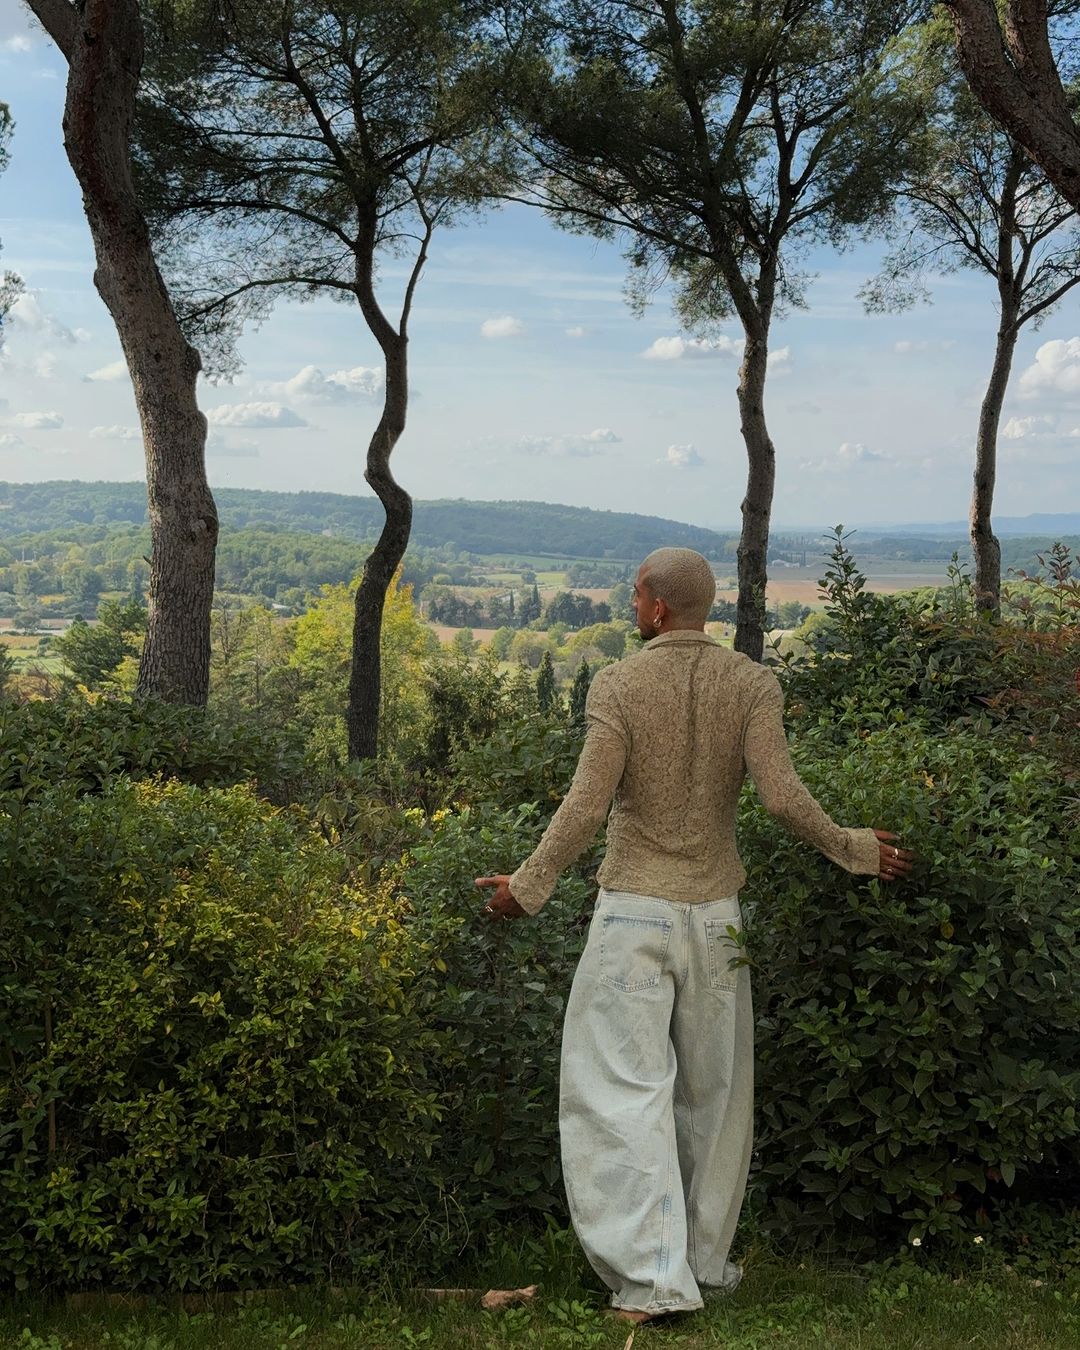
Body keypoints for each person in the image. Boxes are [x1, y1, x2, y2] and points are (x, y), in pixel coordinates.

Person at [475, 547, 913, 1326]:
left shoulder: (618, 683)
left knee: (621, 1094)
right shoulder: (751, 683)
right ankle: (703, 1264)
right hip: (716, 916)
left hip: (633, 912)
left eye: (636, 594)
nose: (632, 604)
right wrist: (852, 847)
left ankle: (653, 1282)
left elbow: (585, 806)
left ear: (654, 605)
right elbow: (782, 796)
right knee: (716, 1097)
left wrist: (528, 886)